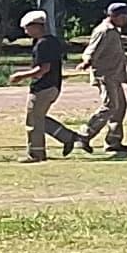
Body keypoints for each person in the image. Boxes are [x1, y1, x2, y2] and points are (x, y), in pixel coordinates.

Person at [79, 0, 127, 155]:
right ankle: (84, 135)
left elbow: (113, 51)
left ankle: (114, 142)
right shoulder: (104, 31)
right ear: (115, 16)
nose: (126, 20)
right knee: (110, 106)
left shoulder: (114, 31)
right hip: (105, 75)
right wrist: (87, 61)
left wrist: (126, 58)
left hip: (114, 75)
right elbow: (91, 49)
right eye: (124, 16)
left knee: (120, 107)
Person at [19, 10, 84, 160]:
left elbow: (43, 68)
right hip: (54, 85)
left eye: (27, 27)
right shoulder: (51, 41)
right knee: (40, 118)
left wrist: (21, 76)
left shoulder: (43, 44)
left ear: (37, 26)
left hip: (43, 86)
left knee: (34, 121)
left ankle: (36, 154)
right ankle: (68, 137)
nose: (25, 31)